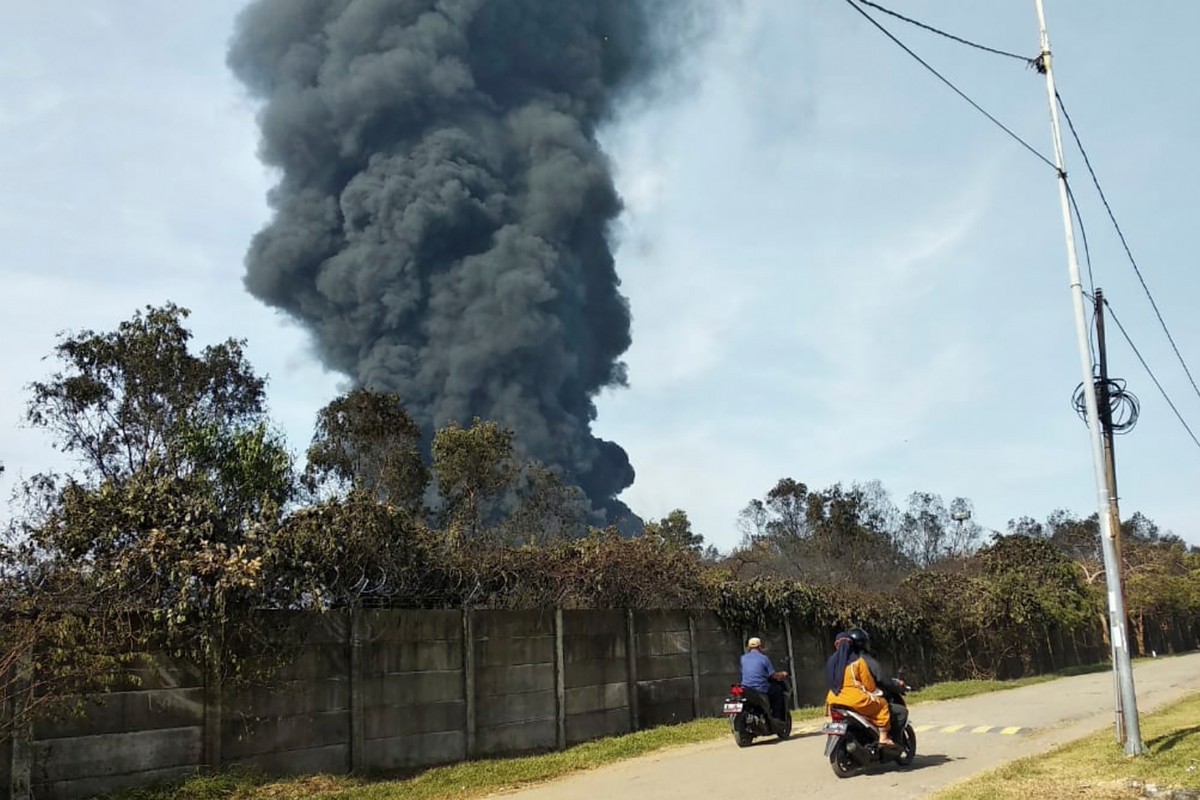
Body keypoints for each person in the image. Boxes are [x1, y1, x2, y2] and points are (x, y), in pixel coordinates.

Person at [824, 628, 907, 748]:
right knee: (882, 704)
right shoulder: (858, 662)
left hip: (833, 700)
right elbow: (869, 684)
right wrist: (875, 692)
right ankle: (883, 737)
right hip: (854, 699)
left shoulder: (831, 663)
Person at [740, 636, 789, 721]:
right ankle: (777, 718)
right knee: (778, 691)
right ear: (760, 646)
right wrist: (783, 674)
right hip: (760, 688)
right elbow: (773, 675)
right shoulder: (764, 658)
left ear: (748, 647)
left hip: (746, 688)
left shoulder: (743, 658)